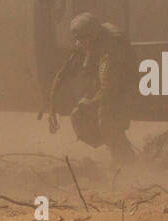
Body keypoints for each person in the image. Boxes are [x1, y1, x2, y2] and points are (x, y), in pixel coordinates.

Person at [46, 12, 135, 162]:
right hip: (107, 83)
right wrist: (52, 108)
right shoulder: (87, 39)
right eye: (77, 40)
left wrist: (90, 103)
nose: (80, 44)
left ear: (93, 37)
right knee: (86, 116)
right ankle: (120, 152)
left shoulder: (111, 49)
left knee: (107, 120)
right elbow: (64, 73)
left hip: (125, 84)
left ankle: (125, 160)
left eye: (83, 40)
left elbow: (109, 88)